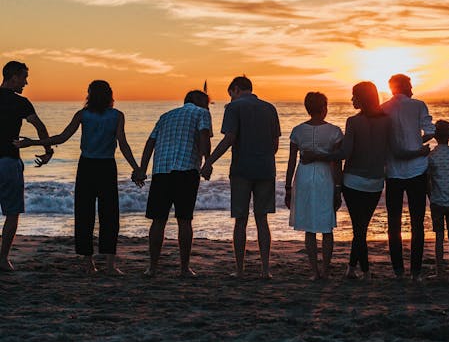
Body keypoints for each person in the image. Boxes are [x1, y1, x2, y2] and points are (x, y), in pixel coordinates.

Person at [21, 80, 141, 274]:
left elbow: (62, 137)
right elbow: (123, 144)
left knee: (84, 214)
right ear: (110, 95)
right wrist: (136, 168)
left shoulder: (83, 114)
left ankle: (88, 263)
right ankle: (110, 265)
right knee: (110, 215)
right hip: (106, 167)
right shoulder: (117, 116)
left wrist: (33, 143)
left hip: (86, 167)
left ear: (89, 95)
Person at [201, 76, 281, 279]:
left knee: (240, 220)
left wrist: (209, 161)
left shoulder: (233, 107)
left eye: (231, 94)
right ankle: (265, 269)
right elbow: (275, 145)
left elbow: (229, 138)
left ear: (235, 89)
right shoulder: (270, 108)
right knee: (262, 220)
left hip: (242, 169)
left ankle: (240, 270)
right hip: (266, 168)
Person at [134, 89, 213, 277]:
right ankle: (184, 268)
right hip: (186, 170)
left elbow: (150, 143)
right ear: (199, 101)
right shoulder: (202, 113)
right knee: (184, 220)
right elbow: (203, 135)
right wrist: (207, 161)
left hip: (161, 171)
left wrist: (142, 169)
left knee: (158, 220)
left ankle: (152, 267)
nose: (208, 106)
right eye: (207, 102)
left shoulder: (166, 116)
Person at [284, 92, 343, 281]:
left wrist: (287, 187)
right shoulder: (334, 131)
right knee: (327, 226)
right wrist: (338, 187)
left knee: (310, 227)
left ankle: (314, 271)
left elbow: (291, 161)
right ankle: (325, 270)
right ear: (324, 108)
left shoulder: (297, 130)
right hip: (325, 177)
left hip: (304, 177)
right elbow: (337, 162)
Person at [382, 73, 435, 280]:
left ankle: (398, 270)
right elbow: (430, 131)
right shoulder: (419, 105)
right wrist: (417, 141)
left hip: (393, 171)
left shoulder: (384, 108)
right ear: (406, 86)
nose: (413, 89)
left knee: (393, 221)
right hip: (417, 170)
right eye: (411, 85)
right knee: (417, 221)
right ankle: (416, 271)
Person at [1, 61, 52, 272]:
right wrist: (48, 151)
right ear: (13, 76)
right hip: (8, 162)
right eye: (24, 77)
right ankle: (3, 259)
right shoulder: (21, 103)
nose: (26, 82)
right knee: (12, 212)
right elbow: (39, 126)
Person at [340, 81, 391, 279]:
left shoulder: (353, 122)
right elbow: (392, 149)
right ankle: (352, 269)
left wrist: (321, 153)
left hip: (352, 181)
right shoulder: (387, 121)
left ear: (362, 98)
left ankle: (365, 271)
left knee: (359, 228)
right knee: (361, 227)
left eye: (354, 95)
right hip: (375, 182)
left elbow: (345, 153)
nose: (351, 99)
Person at [427, 120, 449, 279]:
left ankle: (439, 272)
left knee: (439, 237)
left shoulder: (431, 156)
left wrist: (430, 196)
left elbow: (428, 180)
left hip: (437, 201)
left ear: (434, 136)